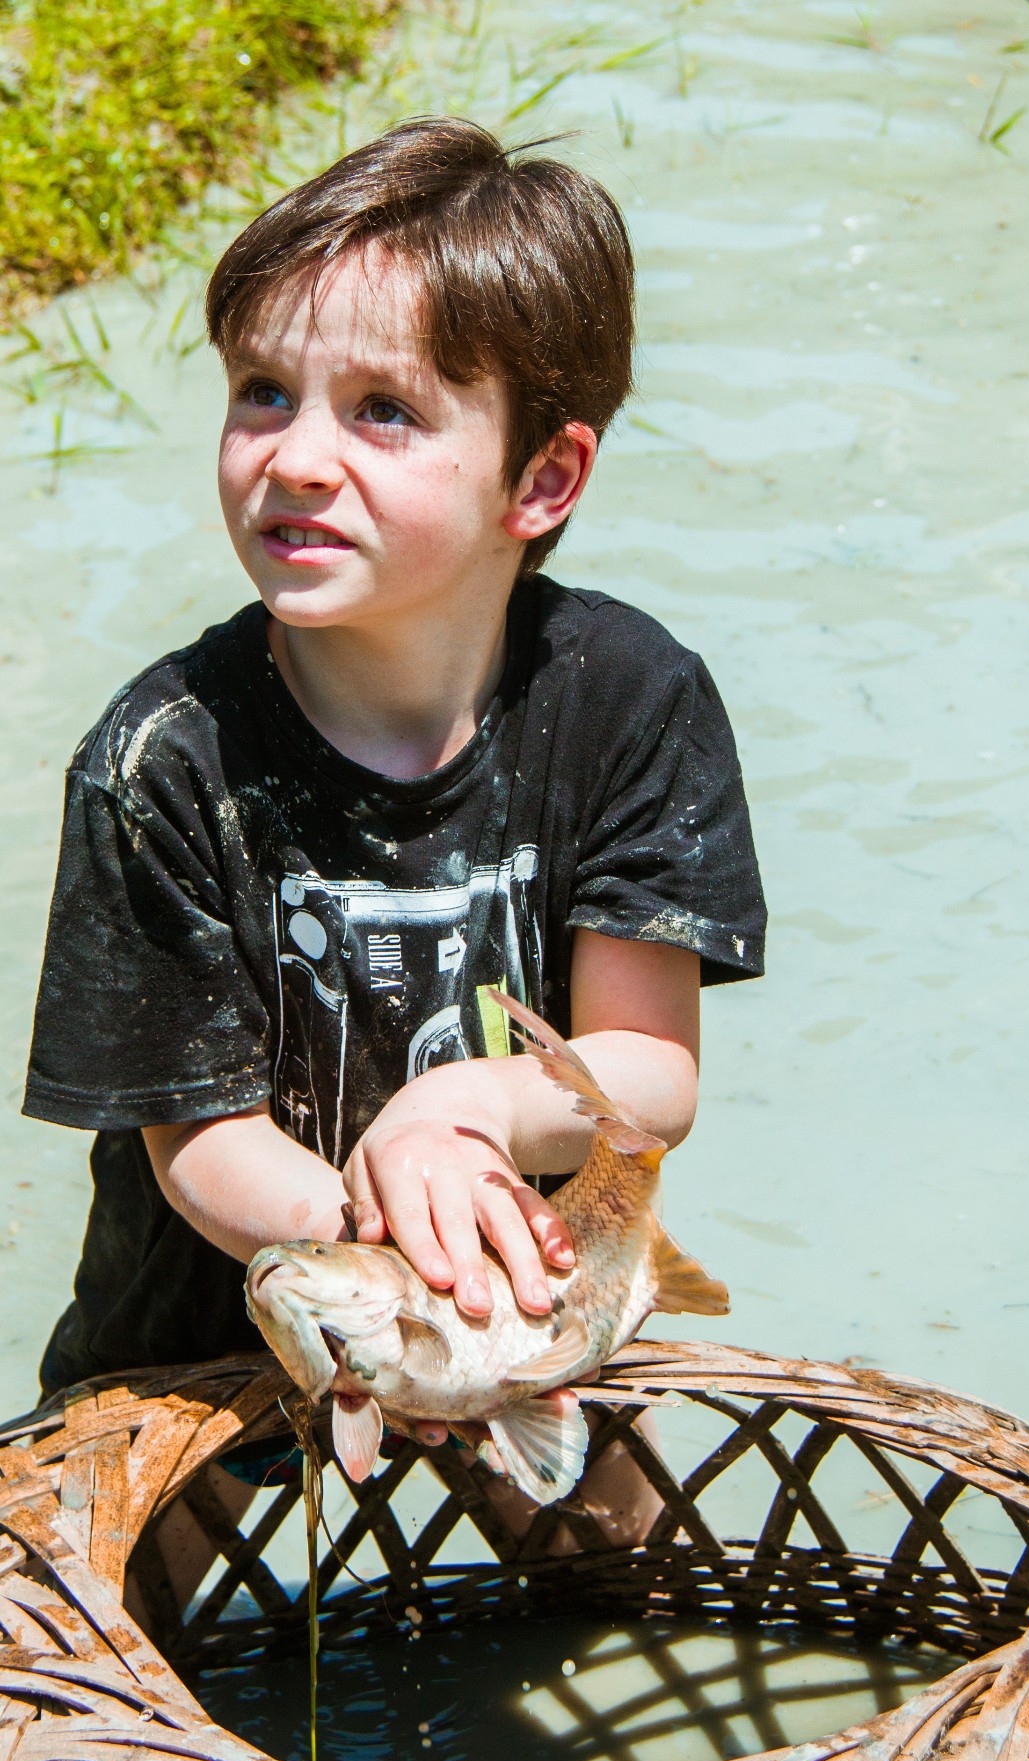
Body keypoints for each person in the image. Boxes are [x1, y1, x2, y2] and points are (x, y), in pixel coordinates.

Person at [22, 118, 766, 1555]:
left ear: (541, 481)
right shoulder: (159, 758)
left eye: (382, 411)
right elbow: (198, 1142)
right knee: (106, 1614)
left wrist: (460, 1115)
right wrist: (380, 1287)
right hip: (209, 1322)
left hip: (524, 1298)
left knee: (628, 1572)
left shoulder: (629, 700)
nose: (295, 457)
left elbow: (650, 1076)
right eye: (260, 391)